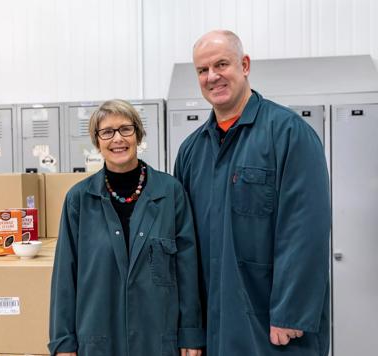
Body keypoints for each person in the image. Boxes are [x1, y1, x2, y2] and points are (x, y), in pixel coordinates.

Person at [173, 30, 331, 355]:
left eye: (221, 64)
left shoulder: (289, 134)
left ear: (244, 65)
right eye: (203, 70)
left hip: (274, 326)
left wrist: (291, 312)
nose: (212, 76)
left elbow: (305, 231)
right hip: (216, 325)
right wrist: (190, 328)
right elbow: (184, 247)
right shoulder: (191, 152)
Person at [49, 99, 205, 356]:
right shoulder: (79, 199)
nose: (117, 139)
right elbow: (65, 276)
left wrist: (191, 333)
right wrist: (63, 343)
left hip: (157, 337)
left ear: (138, 134)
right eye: (107, 132)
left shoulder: (170, 193)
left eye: (125, 129)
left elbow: (187, 270)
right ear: (97, 141)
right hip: (98, 336)